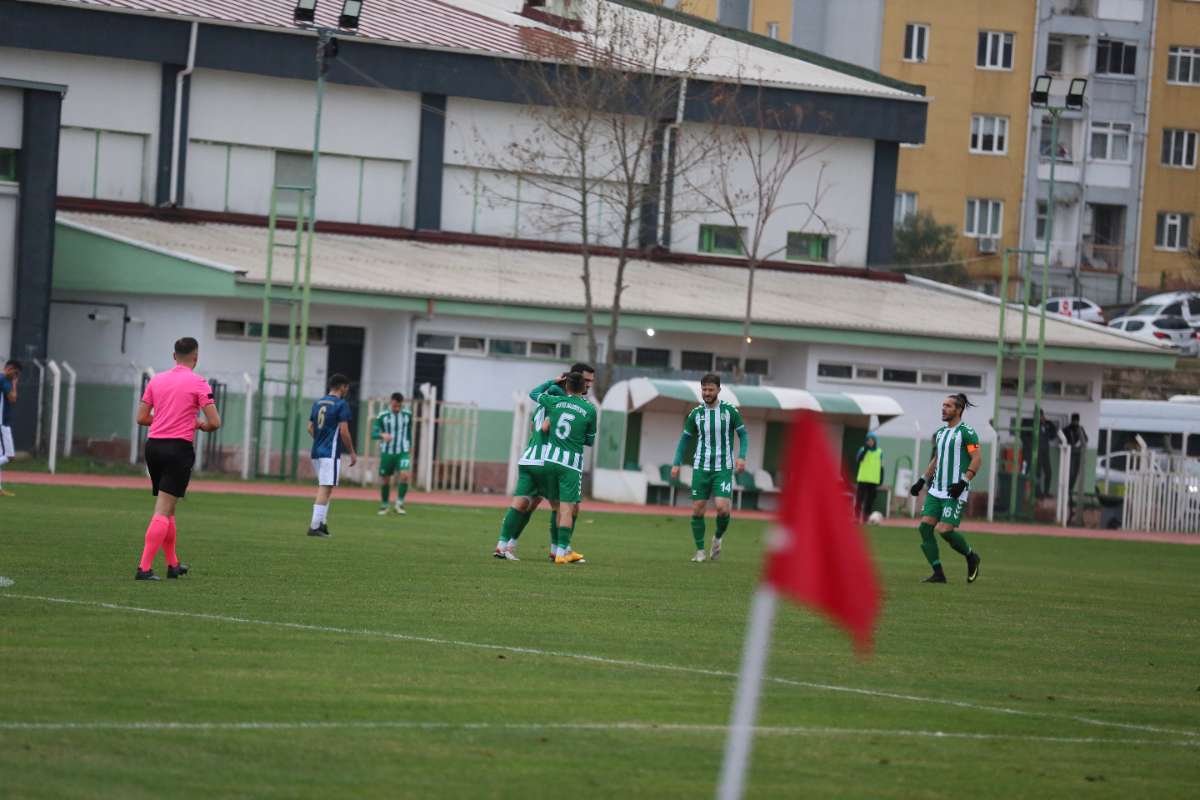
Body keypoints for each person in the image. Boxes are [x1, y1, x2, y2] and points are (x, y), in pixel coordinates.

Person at [133, 338, 221, 581]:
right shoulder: (198, 383)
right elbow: (215, 422)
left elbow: (141, 417)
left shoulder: (157, 380)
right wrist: (200, 426)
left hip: (153, 447)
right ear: (196, 358)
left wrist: (163, 419)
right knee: (163, 509)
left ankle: (173, 564)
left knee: (169, 508)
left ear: (174, 356)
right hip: (177, 449)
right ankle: (144, 568)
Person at [494, 363, 594, 562]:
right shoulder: (564, 401)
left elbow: (535, 426)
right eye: (587, 380)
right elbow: (547, 428)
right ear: (574, 380)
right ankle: (559, 549)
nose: (589, 384)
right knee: (562, 506)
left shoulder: (548, 398)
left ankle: (506, 544)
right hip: (550, 458)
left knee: (524, 503)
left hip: (531, 455)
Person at [670, 373, 749, 563]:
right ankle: (699, 551)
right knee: (698, 509)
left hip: (723, 467)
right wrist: (676, 462)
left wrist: (742, 457)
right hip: (701, 467)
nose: (706, 393)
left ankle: (718, 538)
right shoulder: (696, 414)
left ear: (718, 390)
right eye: (704, 389)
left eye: (710, 389)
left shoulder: (730, 411)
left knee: (722, 508)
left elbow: (743, 435)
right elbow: (684, 440)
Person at [909, 393, 982, 584]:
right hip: (936, 490)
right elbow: (937, 459)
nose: (943, 408)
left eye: (948, 406)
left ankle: (971, 556)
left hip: (954, 490)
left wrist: (964, 481)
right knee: (925, 528)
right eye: (943, 405)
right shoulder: (941, 433)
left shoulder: (967, 432)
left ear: (959, 410)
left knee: (944, 530)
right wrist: (922, 480)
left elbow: (977, 458)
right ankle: (938, 573)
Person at [537, 371, 596, 564]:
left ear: (567, 386)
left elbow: (534, 393)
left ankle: (556, 549)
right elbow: (590, 440)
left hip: (549, 461)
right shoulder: (589, 409)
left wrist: (551, 381)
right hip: (570, 464)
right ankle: (563, 553)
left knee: (556, 508)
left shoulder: (554, 402)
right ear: (583, 387)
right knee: (566, 509)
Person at [307, 374, 357, 538]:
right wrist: (351, 451)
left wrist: (320, 440)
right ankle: (314, 526)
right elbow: (344, 431)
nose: (346, 391)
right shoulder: (341, 404)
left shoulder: (318, 403)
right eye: (346, 388)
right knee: (325, 487)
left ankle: (322, 523)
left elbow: (310, 428)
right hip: (330, 452)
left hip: (316, 452)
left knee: (326, 488)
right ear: (342, 387)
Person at [372, 392, 412, 516]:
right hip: (387, 452)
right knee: (385, 479)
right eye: (395, 406)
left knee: (404, 475)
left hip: (403, 451)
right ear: (391, 402)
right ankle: (384, 505)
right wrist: (382, 435)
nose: (397, 409)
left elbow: (409, 432)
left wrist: (410, 446)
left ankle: (399, 504)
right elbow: (374, 434)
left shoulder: (407, 415)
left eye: (399, 406)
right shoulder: (382, 416)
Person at [854, 432, 885, 523]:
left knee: (870, 501)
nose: (870, 442)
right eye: (868, 440)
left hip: (873, 480)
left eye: (872, 440)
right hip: (863, 479)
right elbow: (858, 459)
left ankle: (865, 518)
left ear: (875, 441)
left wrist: (881, 478)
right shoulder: (862, 449)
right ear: (866, 441)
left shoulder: (880, 452)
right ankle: (856, 517)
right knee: (859, 499)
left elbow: (881, 466)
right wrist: (865, 450)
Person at [0, 360, 20, 497]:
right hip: (2, 424)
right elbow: (13, 398)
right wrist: (14, 384)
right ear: (10, 368)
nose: (16, 376)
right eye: (16, 373)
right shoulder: (4, 381)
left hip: (3, 423)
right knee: (9, 456)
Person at [1062, 412, 1089, 515]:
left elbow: (1085, 439)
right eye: (1074, 420)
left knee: (1074, 478)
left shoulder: (1080, 429)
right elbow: (1063, 441)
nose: (1076, 422)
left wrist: (1079, 443)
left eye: (1077, 420)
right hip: (1070, 456)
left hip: (1078, 456)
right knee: (1069, 478)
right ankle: (1069, 502)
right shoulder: (1067, 430)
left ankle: (1070, 501)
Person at [1037, 409, 1058, 498]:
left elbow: (1054, 433)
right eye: (1039, 416)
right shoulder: (1033, 424)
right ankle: (1038, 492)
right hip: (1037, 452)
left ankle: (1046, 492)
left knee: (1048, 472)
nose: (1041, 418)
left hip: (1045, 451)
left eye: (1041, 416)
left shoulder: (1047, 424)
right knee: (1037, 473)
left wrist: (1046, 424)